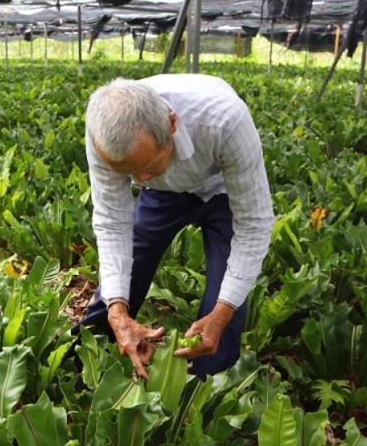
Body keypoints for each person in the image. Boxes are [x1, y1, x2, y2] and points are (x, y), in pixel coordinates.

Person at [77, 73, 274, 380]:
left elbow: (254, 225)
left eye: (148, 168)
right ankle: (86, 360)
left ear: (171, 126)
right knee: (127, 271)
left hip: (222, 188)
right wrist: (118, 310)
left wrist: (221, 314)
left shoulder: (226, 120)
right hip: (163, 193)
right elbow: (113, 222)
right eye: (128, 174)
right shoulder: (102, 130)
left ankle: (204, 391)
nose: (139, 181)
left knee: (223, 302)